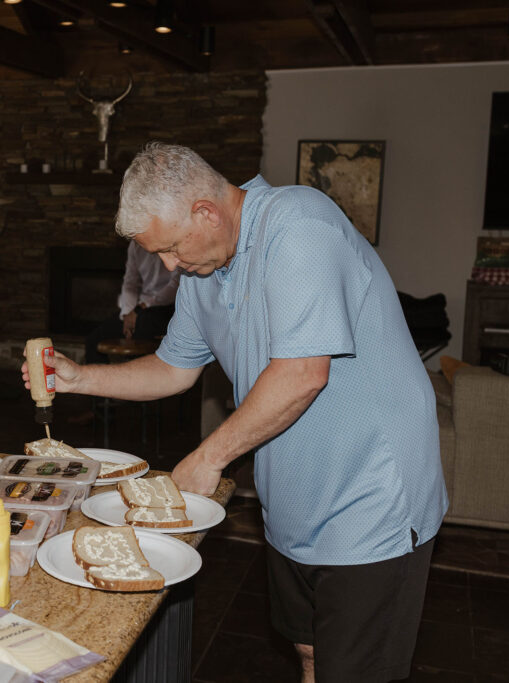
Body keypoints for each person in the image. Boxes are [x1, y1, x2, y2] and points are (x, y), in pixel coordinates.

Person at [22, 142, 448, 683]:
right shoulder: (203, 271)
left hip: (371, 495)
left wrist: (209, 457)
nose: (168, 266)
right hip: (295, 497)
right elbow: (174, 370)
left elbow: (302, 373)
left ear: (207, 211)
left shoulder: (300, 227)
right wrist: (80, 378)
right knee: (311, 649)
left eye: (172, 248)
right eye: (158, 255)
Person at [84, 240, 180, 364]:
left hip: (167, 307)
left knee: (141, 328)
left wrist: (139, 309)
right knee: (93, 340)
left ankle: (135, 376)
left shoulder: (173, 241)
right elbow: (130, 283)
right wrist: (127, 315)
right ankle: (101, 382)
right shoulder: (135, 245)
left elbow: (174, 287)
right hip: (138, 309)